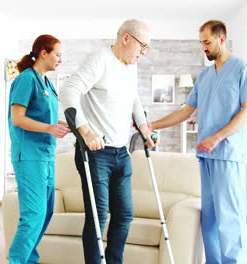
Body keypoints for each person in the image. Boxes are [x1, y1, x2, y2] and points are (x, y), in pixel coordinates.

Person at [149, 20, 247, 264]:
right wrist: (152, 125)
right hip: (206, 156)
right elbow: (185, 111)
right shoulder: (205, 76)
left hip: (228, 153)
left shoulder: (242, 69)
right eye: (201, 43)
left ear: (221, 39)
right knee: (209, 219)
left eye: (207, 42)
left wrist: (217, 137)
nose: (204, 48)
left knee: (229, 217)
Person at [59, 19, 156, 264]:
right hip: (96, 154)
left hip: (121, 152)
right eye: (141, 46)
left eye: (146, 48)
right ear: (126, 39)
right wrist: (86, 131)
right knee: (98, 217)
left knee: (124, 215)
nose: (142, 53)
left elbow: (133, 98)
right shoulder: (100, 59)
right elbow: (69, 90)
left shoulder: (130, 66)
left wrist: (144, 130)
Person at [7, 34, 70, 264]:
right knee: (33, 215)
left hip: (46, 156)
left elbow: (48, 119)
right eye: (58, 54)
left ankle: (29, 259)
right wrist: (50, 128)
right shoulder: (26, 79)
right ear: (44, 52)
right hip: (29, 156)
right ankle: (17, 260)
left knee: (46, 212)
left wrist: (64, 126)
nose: (60, 60)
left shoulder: (47, 84)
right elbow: (17, 118)